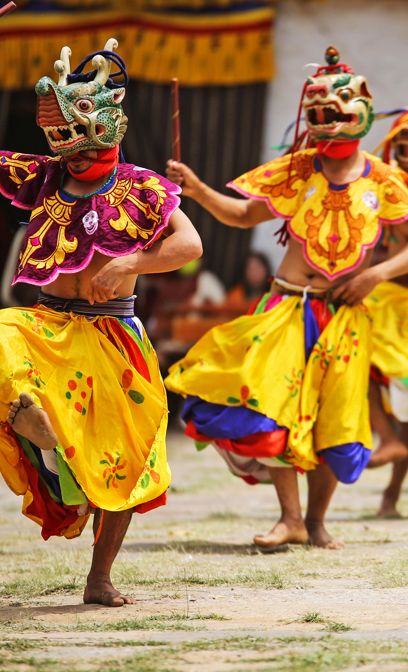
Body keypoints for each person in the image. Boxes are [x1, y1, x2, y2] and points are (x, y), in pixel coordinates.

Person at [0, 35, 201, 606]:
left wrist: (131, 260)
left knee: (126, 460)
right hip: (51, 327)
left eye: (76, 139)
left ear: (106, 127)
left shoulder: (143, 186)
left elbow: (189, 244)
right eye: (60, 141)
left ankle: (99, 578)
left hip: (113, 334)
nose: (69, 153)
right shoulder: (45, 177)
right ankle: (35, 422)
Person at [165, 47, 408, 548]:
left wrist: (376, 275)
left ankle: (317, 521)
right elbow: (240, 216)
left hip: (346, 315)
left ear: (360, 110)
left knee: (333, 419)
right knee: (271, 406)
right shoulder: (298, 169)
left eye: (335, 112)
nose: (325, 122)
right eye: (316, 114)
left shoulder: (386, 181)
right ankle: (291, 518)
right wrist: (199, 190)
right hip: (286, 309)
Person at [363, 110, 408, 516]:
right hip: (388, 303)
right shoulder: (385, 190)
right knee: (359, 360)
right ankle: (385, 436)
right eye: (403, 143)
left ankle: (391, 495)